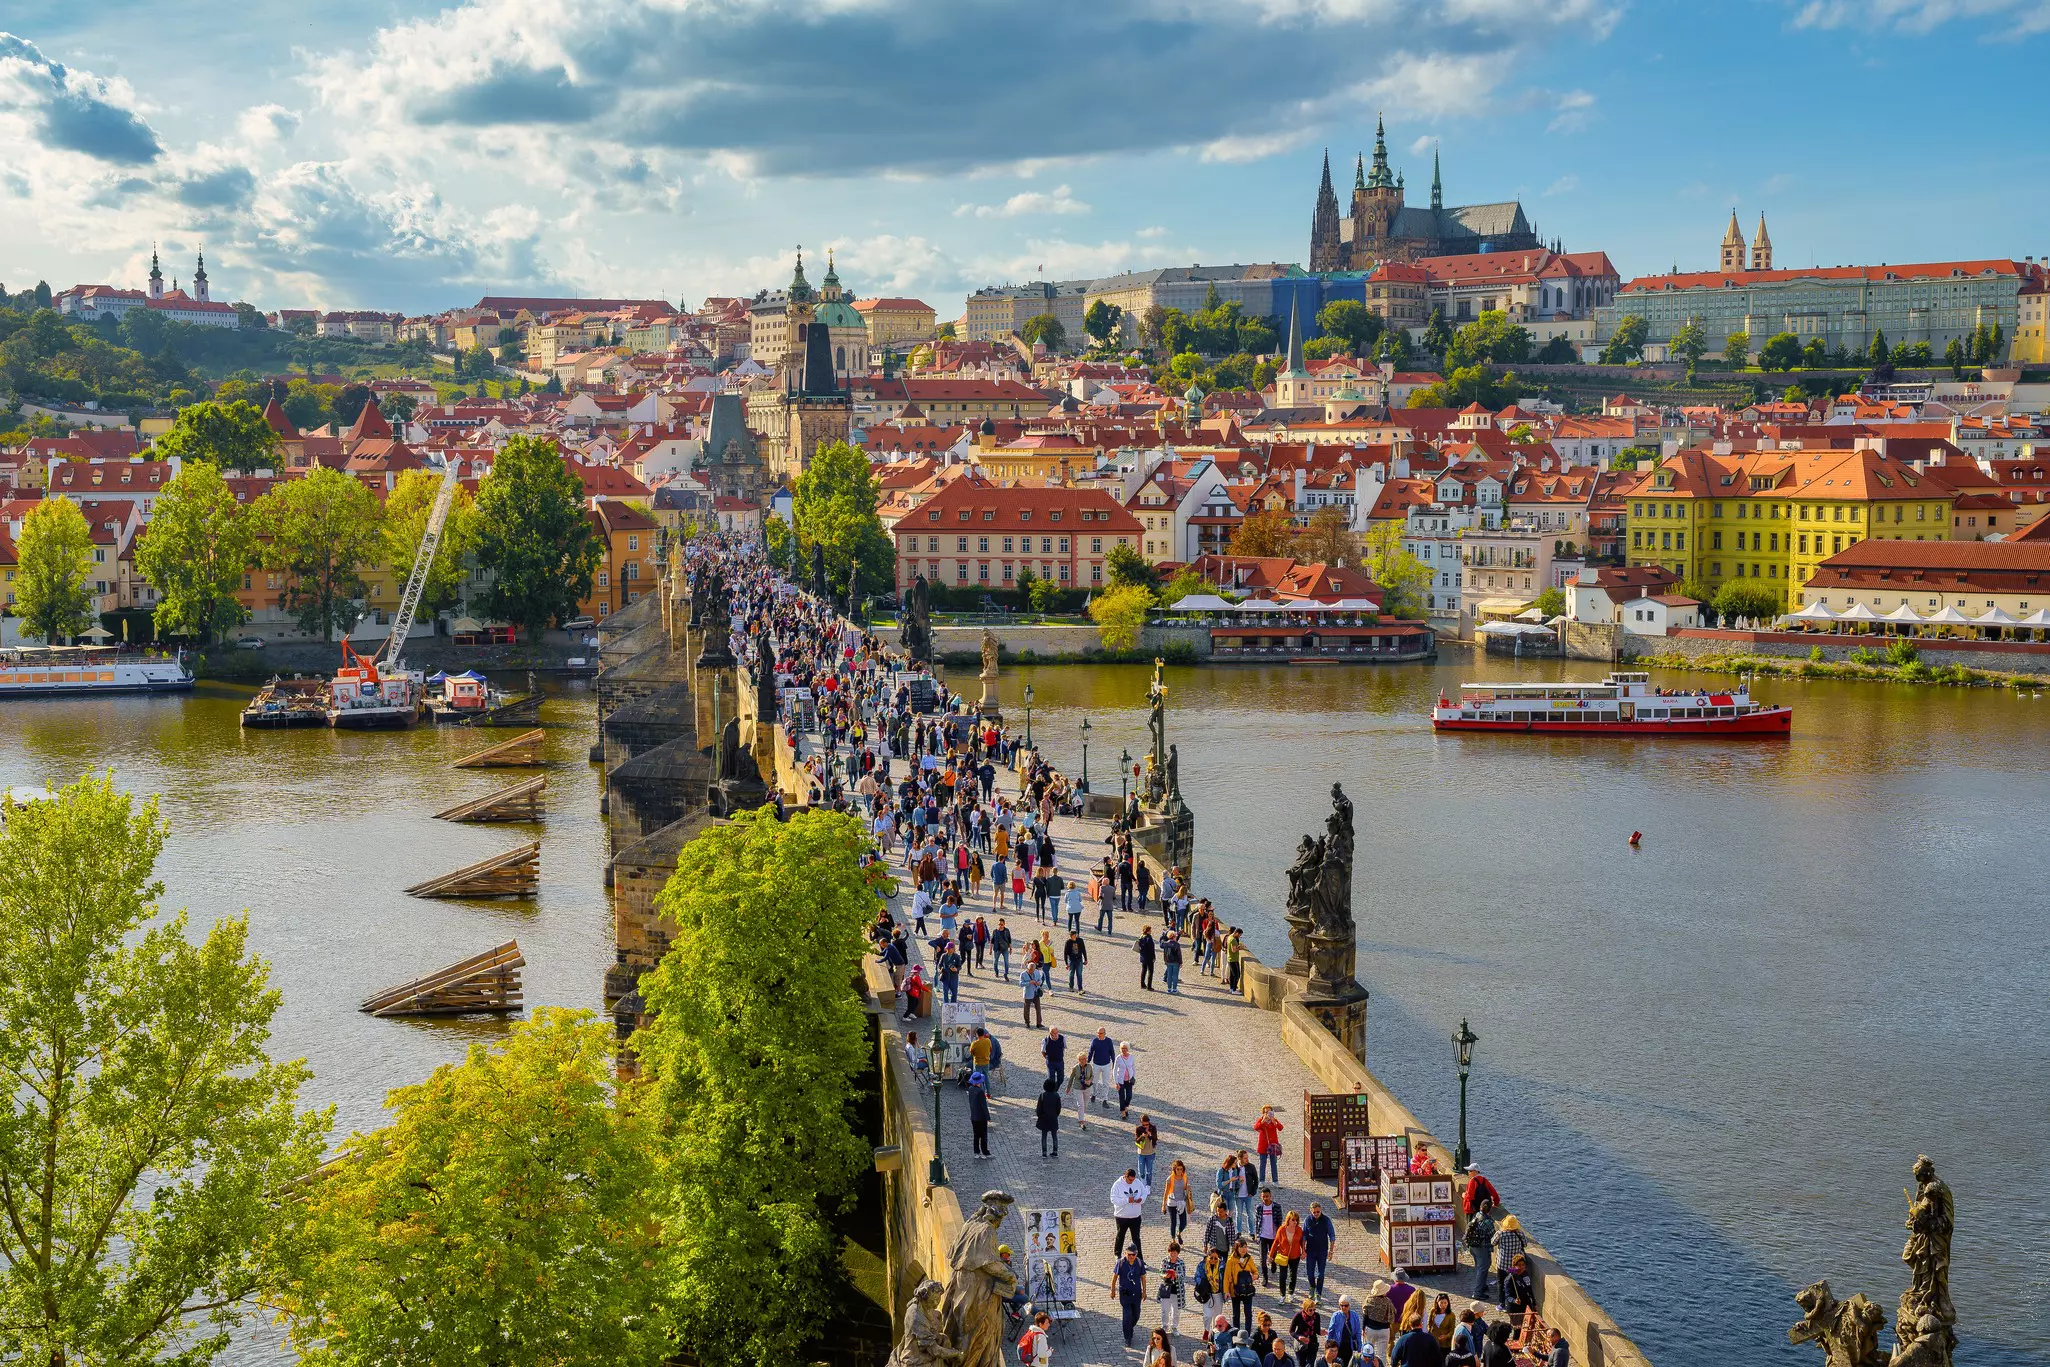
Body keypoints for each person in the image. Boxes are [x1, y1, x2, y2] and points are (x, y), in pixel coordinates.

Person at [1115, 1245, 1150, 1347]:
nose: (1131, 1256)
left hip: (1136, 1294)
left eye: (1133, 1254)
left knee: (1136, 1314)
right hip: (1125, 1294)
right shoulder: (1121, 1263)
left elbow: (1143, 1278)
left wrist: (1144, 1291)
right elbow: (1114, 1277)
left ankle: (1130, 1327)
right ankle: (1128, 1338)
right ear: (1125, 1253)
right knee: (1127, 1316)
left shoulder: (1139, 1263)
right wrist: (1112, 1290)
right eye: (1129, 1254)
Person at [1112, 1167, 1150, 1259]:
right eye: (1130, 1180)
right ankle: (1117, 1255)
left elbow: (1144, 1193)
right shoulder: (1117, 1185)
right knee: (1120, 1236)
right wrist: (1127, 1200)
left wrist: (1141, 1199)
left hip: (1135, 1216)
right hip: (1122, 1216)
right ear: (1126, 1176)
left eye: (1133, 1180)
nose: (1131, 1182)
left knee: (1136, 1238)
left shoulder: (1137, 1182)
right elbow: (1114, 1199)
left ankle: (1139, 1258)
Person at [1224, 1236, 1260, 1333]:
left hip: (1247, 1290)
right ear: (1237, 1248)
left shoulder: (1249, 1258)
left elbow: (1255, 1271)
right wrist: (1226, 1291)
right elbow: (1227, 1277)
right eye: (1241, 1247)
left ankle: (1247, 1333)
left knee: (1248, 1313)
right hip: (1235, 1290)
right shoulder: (1231, 1260)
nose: (1244, 1249)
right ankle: (1237, 1333)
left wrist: (1255, 1276)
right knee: (1236, 1314)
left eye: (1245, 1247)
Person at [1302, 1201, 1335, 1303]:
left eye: (1318, 1212)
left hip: (1322, 1251)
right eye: (1314, 1212)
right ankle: (1312, 1287)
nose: (1316, 1214)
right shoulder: (1307, 1220)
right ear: (1311, 1211)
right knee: (1310, 1273)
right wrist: (1303, 1250)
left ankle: (1318, 1293)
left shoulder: (1326, 1220)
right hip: (1311, 1250)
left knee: (1321, 1274)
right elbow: (1304, 1236)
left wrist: (1331, 1251)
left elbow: (1332, 1235)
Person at [1491, 1216, 1528, 1304]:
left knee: (1501, 1283)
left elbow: (1493, 1242)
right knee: (1513, 1283)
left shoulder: (1500, 1233)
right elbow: (1525, 1244)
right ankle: (1513, 1301)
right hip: (1514, 1266)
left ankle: (1502, 1303)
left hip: (1503, 1264)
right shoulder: (1520, 1233)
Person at [1464, 1204, 1496, 1301]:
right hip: (1482, 1247)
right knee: (1482, 1268)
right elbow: (1493, 1236)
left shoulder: (1477, 1215)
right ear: (1489, 1210)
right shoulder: (1488, 1222)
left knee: (1480, 1266)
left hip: (1473, 1246)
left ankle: (1482, 1285)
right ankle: (1477, 1292)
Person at [1271, 1208, 1305, 1300]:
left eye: (1296, 1220)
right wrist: (1271, 1255)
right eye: (1293, 1220)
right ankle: (1282, 1295)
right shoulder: (1282, 1229)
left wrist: (1303, 1252)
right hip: (1283, 1255)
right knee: (1283, 1276)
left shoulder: (1299, 1230)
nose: (1295, 1222)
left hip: (1295, 1256)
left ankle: (1291, 1292)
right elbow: (1276, 1242)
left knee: (1293, 1275)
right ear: (1288, 1220)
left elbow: (1302, 1241)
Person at [1158, 1240, 1189, 1339]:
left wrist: (1176, 1275)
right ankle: (1164, 1326)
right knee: (1165, 1310)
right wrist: (1165, 1275)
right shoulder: (1164, 1261)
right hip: (1166, 1290)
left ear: (1178, 1253)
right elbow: (1161, 1273)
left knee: (1176, 1311)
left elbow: (1183, 1275)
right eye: (1171, 1252)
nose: (1173, 1254)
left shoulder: (1181, 1263)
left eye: (1175, 1252)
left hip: (1177, 1291)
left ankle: (1174, 1327)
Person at [1254, 1187, 1282, 1286]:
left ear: (1271, 1196)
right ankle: (1265, 1277)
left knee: (1273, 1254)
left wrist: (1280, 1236)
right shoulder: (1259, 1208)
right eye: (1264, 1196)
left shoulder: (1277, 1207)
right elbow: (1257, 1221)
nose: (1266, 1198)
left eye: (1267, 1196)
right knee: (1262, 1258)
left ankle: (1274, 1264)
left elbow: (1279, 1221)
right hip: (1263, 1236)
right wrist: (1257, 1234)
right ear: (1261, 1197)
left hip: (1274, 1236)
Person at [1360, 1280, 1395, 1361]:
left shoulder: (1369, 1299)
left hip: (1370, 1329)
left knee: (1367, 1351)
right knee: (1382, 1355)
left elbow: (1365, 1315)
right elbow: (1392, 1315)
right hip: (1384, 1330)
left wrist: (1363, 1328)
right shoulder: (1387, 1301)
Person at [1325, 1295, 1364, 1366]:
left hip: (1349, 1346)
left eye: (1346, 1305)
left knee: (1347, 1364)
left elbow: (1358, 1332)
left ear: (1349, 1305)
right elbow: (1330, 1331)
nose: (1343, 1307)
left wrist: (1359, 1347)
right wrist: (1328, 1347)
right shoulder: (1335, 1316)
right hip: (1337, 1347)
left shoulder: (1355, 1316)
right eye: (1341, 1305)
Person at [1254, 1106, 1285, 1186]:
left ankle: (1275, 1181)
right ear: (1264, 1113)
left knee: (1273, 1163)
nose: (1268, 1113)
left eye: (1269, 1112)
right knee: (1262, 1163)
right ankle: (1261, 1181)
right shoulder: (1261, 1120)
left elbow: (1280, 1128)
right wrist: (1262, 1121)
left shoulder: (1274, 1120)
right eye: (1266, 1112)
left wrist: (1275, 1122)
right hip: (1263, 1145)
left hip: (1273, 1145)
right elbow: (1256, 1127)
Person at [1196, 1249, 1227, 1328]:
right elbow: (1197, 1276)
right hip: (1207, 1293)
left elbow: (1226, 1279)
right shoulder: (1202, 1265)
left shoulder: (1222, 1266)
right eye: (1211, 1257)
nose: (1213, 1260)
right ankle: (1206, 1331)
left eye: (1215, 1258)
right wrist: (1201, 1283)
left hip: (1218, 1293)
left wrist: (1227, 1291)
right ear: (1208, 1256)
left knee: (1217, 1315)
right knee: (1207, 1315)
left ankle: (1215, 1332)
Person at [1088, 1028, 1117, 1108]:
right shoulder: (1095, 1041)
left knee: (1106, 1083)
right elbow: (1091, 1052)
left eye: (1100, 1033)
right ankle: (1094, 1094)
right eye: (1098, 1033)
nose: (1099, 1035)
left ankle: (1105, 1099)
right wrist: (1087, 1062)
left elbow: (1112, 1052)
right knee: (1094, 1081)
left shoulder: (1109, 1041)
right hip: (1096, 1064)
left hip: (1106, 1065)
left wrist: (1114, 1063)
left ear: (1104, 1033)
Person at [1289, 1297, 1321, 1367]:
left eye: (1314, 1310)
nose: (1313, 1312)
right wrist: (1299, 1337)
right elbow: (1291, 1331)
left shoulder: (1317, 1316)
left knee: (1310, 1364)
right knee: (1301, 1364)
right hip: (1301, 1344)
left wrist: (1321, 1332)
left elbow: (1317, 1330)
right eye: (1310, 1310)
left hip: (1312, 1342)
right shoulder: (1298, 1316)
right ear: (1305, 1309)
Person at [1500, 1255, 1535, 1319]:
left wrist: (1534, 1302)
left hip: (1525, 1303)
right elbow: (1507, 1296)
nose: (1521, 1267)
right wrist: (1514, 1300)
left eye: (1523, 1265)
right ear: (1514, 1266)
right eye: (1519, 1265)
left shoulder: (1525, 1273)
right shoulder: (1510, 1279)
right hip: (1515, 1307)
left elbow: (1529, 1288)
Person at [1035, 1076, 1063, 1157]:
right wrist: (1056, 1115)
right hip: (1053, 1118)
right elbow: (1058, 1108)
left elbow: (1039, 1108)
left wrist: (1039, 1115)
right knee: (1054, 1135)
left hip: (1044, 1118)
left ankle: (1044, 1152)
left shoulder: (1042, 1095)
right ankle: (1055, 1151)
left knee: (1044, 1136)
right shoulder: (1057, 1096)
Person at [1202, 1197, 1236, 1263]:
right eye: (1217, 1211)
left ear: (1226, 1211)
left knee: (1223, 1266)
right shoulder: (1212, 1219)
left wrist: (1233, 1247)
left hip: (1225, 1249)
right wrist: (1205, 1245)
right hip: (1214, 1248)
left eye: (1221, 1212)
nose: (1218, 1213)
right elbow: (1207, 1233)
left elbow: (1232, 1235)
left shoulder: (1229, 1221)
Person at [967, 1070, 992, 1158]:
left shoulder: (970, 1089)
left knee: (976, 1135)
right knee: (983, 1136)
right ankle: (985, 1152)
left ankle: (976, 1152)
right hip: (981, 1118)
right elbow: (983, 1106)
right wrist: (988, 1117)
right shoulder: (980, 1092)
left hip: (974, 1116)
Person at [1065, 1054, 1094, 1131]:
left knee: (1085, 1104)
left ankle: (1081, 1116)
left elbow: (1092, 1076)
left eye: (1084, 1059)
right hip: (1078, 1088)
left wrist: (1089, 1080)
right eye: (1080, 1059)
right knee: (1080, 1105)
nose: (1082, 1061)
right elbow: (1071, 1078)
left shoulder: (1089, 1066)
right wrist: (1068, 1088)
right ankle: (1081, 1121)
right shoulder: (1075, 1068)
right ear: (1078, 1060)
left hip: (1087, 1088)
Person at [1114, 1043, 1139, 1119]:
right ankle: (1123, 1112)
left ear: (1128, 1049)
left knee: (1129, 1096)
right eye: (1122, 1048)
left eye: (1125, 1048)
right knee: (1122, 1096)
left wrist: (1133, 1077)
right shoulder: (1118, 1058)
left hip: (1129, 1080)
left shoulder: (1131, 1057)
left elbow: (1133, 1067)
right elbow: (1115, 1070)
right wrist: (1116, 1082)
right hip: (1120, 1080)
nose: (1124, 1050)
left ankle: (1125, 1107)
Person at [1134, 1113, 1160, 1186]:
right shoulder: (1139, 1129)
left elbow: (1155, 1138)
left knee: (1149, 1171)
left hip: (1150, 1153)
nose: (1145, 1126)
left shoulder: (1153, 1128)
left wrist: (1150, 1135)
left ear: (1149, 1122)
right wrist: (1142, 1136)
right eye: (1143, 1125)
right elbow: (1136, 1140)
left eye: (1147, 1124)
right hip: (1141, 1153)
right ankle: (1143, 1182)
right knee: (1141, 1172)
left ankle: (1148, 1186)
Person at [1021, 956, 1044, 1026]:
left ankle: (1039, 1023)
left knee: (1038, 1008)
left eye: (1032, 970)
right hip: (1028, 994)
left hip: (1036, 993)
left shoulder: (1036, 972)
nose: (1031, 971)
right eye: (1030, 970)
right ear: (1027, 968)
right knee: (1026, 1009)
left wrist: (1039, 982)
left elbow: (1040, 979)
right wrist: (1029, 982)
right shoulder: (1023, 974)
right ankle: (1027, 1022)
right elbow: (1021, 983)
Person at [1162, 929, 1184, 994]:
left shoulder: (1166, 944)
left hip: (1168, 961)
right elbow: (1179, 955)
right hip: (1176, 962)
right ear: (1174, 936)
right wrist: (1181, 962)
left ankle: (1169, 989)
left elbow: (1165, 953)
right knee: (1175, 976)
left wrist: (1165, 961)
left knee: (1169, 975)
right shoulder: (1177, 944)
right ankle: (1174, 989)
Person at [1136, 925, 1157, 990]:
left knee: (1144, 970)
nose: (1151, 931)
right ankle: (1149, 986)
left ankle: (1142, 984)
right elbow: (1151, 948)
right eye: (1150, 930)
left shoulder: (1141, 937)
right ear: (1148, 931)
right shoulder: (1149, 938)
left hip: (1143, 956)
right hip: (1149, 957)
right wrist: (1154, 956)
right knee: (1150, 971)